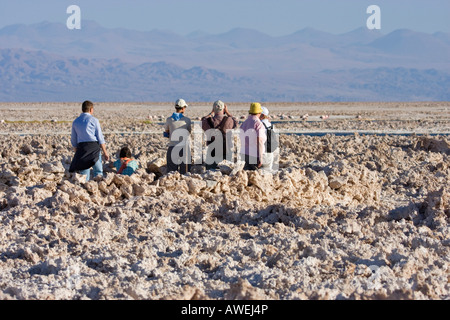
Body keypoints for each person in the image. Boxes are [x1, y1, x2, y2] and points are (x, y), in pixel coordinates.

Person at [69, 100, 109, 180]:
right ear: (91, 109)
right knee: (98, 171)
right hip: (94, 148)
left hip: (82, 149)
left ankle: (84, 190)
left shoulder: (76, 121)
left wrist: (77, 152)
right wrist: (105, 152)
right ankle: (97, 188)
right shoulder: (94, 120)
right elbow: (100, 137)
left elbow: (73, 140)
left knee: (84, 174)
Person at [201, 100, 238, 170]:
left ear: (214, 109)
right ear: (223, 109)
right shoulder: (229, 120)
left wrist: (211, 113)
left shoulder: (208, 121)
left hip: (212, 151)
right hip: (226, 150)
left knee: (210, 172)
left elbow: (202, 120)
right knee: (226, 172)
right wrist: (227, 112)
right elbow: (235, 122)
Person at [164, 99, 192, 174]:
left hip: (172, 147)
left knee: (171, 173)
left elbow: (166, 133)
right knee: (185, 172)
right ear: (183, 108)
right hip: (184, 148)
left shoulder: (169, 120)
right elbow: (189, 132)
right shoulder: (187, 120)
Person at [239, 102, 266, 170]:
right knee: (256, 176)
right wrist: (260, 157)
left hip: (245, 153)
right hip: (254, 154)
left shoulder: (244, 123)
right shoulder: (258, 124)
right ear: (259, 113)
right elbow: (259, 141)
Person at [260, 106, 279, 172]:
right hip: (270, 153)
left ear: (262, 115)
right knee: (268, 171)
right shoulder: (271, 125)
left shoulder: (259, 125)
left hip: (261, 153)